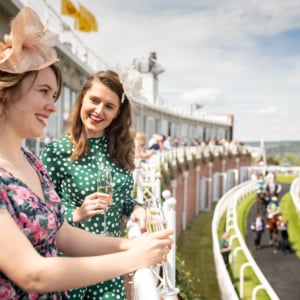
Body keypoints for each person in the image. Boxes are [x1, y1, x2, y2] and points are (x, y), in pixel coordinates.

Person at [0, 7, 173, 299]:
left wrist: (133, 243)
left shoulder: (30, 162)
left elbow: (61, 233)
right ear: (8, 90)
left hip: (98, 272)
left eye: (54, 95)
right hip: (72, 274)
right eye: (43, 91)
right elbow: (33, 274)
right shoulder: (53, 153)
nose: (53, 106)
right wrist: (133, 256)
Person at [40, 62, 149, 298]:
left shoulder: (118, 151)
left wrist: (136, 207)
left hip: (110, 267)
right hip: (71, 266)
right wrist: (75, 213)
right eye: (94, 101)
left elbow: (119, 200)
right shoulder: (56, 152)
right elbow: (42, 210)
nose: (99, 111)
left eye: (109, 106)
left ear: (117, 113)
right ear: (82, 99)